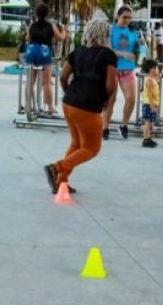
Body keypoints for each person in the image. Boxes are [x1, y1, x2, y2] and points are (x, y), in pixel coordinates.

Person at [45, 20, 117, 193]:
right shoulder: (108, 55)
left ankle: (61, 181)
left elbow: (63, 76)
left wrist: (69, 92)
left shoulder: (77, 52)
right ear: (105, 35)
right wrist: (106, 100)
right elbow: (110, 84)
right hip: (88, 105)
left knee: (77, 143)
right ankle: (57, 167)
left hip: (69, 102)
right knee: (92, 148)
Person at [102, 6, 138, 140]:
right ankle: (105, 127)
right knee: (111, 99)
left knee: (131, 98)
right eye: (124, 17)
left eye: (129, 18)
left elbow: (138, 49)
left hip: (128, 69)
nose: (127, 20)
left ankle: (124, 124)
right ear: (118, 16)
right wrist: (123, 54)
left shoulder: (133, 31)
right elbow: (107, 49)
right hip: (112, 68)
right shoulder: (111, 30)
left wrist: (142, 45)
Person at [25, 3, 67, 115]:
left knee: (30, 82)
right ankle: (50, 108)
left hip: (32, 51)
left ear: (36, 13)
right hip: (44, 52)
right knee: (46, 83)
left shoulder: (32, 25)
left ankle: (28, 105)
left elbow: (28, 38)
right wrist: (64, 30)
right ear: (47, 13)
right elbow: (60, 38)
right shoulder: (51, 25)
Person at [140, 58, 160, 148]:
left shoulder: (152, 79)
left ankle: (149, 138)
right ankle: (145, 139)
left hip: (152, 104)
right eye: (156, 68)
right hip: (149, 104)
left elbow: (158, 79)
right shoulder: (149, 81)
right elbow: (149, 94)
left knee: (150, 122)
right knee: (148, 122)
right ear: (152, 70)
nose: (158, 70)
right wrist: (152, 105)